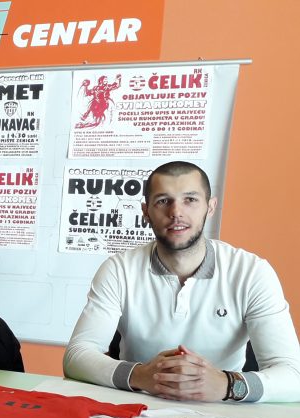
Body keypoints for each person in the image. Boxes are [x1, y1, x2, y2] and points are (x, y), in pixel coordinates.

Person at [64, 160, 300, 402]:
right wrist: (141, 375)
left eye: (190, 199)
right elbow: (76, 356)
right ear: (146, 211)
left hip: (224, 410)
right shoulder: (119, 269)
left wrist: (226, 385)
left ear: (210, 207)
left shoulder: (251, 272)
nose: (176, 212)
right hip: (137, 406)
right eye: (163, 201)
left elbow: (294, 375)